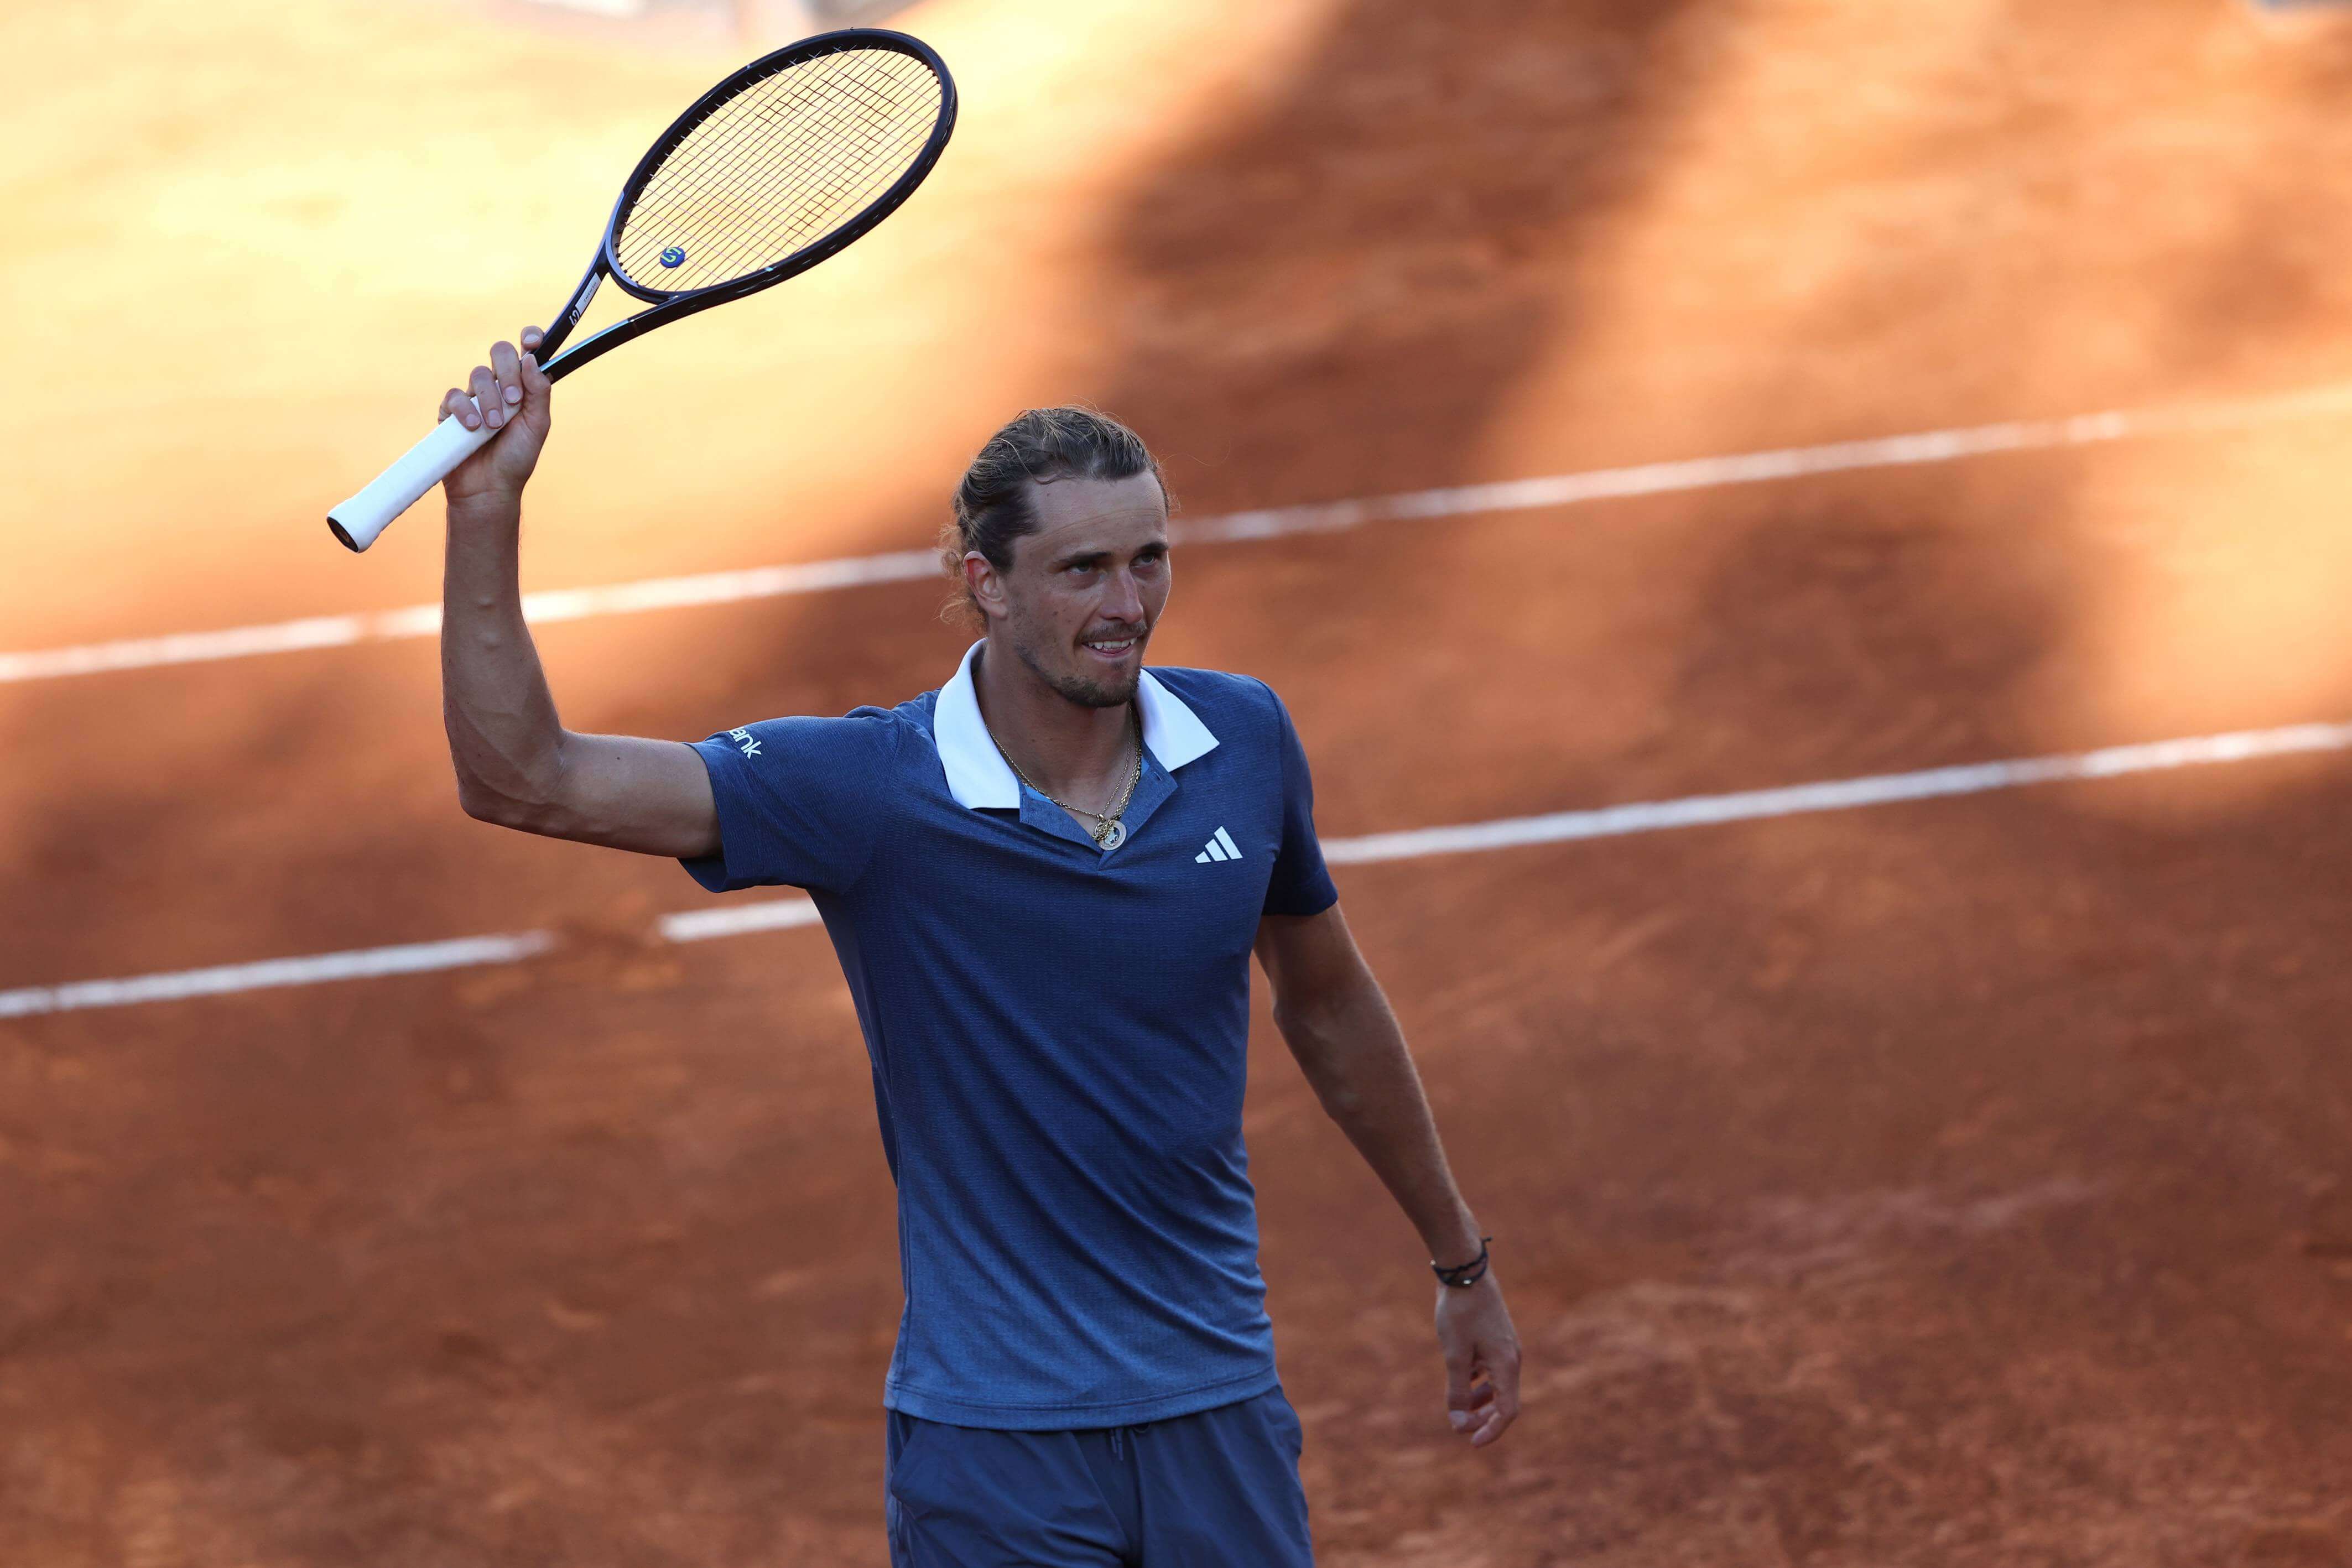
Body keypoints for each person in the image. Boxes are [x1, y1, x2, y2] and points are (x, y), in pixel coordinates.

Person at [432, 330, 1522, 1566]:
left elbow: (1327, 1009)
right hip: (996, 1445)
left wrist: (1460, 1260)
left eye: (1147, 559)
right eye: (1081, 570)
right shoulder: (868, 788)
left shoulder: (1243, 740)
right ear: (985, 579)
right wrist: (487, 507)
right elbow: (525, 776)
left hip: (1215, 1401)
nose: (1125, 608)